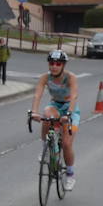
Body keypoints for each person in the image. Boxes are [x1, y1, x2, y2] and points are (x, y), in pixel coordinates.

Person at [29, 49, 80, 190]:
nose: (54, 66)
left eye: (58, 63)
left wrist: (68, 114)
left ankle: (70, 175)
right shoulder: (45, 77)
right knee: (46, 116)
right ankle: (46, 147)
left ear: (63, 65)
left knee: (66, 144)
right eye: (51, 63)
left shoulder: (70, 77)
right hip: (55, 106)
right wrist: (34, 112)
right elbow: (37, 95)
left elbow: (74, 96)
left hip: (70, 109)